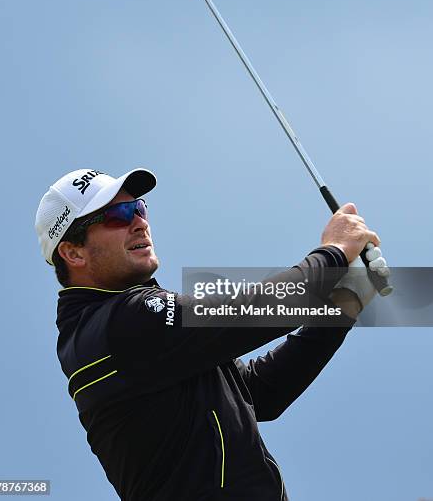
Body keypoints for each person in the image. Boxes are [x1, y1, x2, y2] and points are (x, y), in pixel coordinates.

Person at [35, 167, 389, 501]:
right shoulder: (117, 323)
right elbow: (254, 311)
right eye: (118, 216)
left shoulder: (137, 331)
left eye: (139, 208)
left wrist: (345, 304)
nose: (140, 223)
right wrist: (336, 251)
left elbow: (261, 393)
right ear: (73, 252)